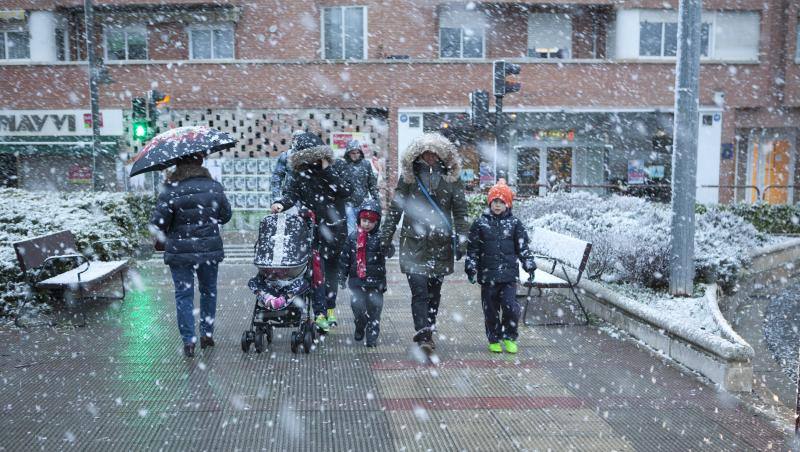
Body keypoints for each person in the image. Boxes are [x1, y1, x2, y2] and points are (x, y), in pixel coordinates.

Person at [380, 132, 469, 352]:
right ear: (418, 155)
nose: (430, 157)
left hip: (440, 244)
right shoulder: (409, 178)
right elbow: (395, 209)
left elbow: (460, 212)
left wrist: (463, 240)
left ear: (441, 156)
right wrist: (384, 237)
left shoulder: (452, 179)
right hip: (414, 243)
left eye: (434, 153)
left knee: (434, 293)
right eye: (426, 153)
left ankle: (429, 326)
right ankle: (424, 336)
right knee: (419, 292)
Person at [150, 155, 232, 358]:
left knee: (183, 295)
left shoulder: (171, 188)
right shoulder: (214, 186)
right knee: (208, 291)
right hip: (208, 249)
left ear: (177, 164)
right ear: (200, 163)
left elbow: (158, 222)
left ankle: (189, 341)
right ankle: (207, 333)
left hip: (180, 251)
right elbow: (226, 215)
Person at [271, 132, 352, 332]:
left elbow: (346, 190)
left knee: (332, 271)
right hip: (312, 229)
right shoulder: (300, 172)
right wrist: (281, 203)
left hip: (335, 229)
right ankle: (320, 312)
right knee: (317, 272)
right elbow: (291, 193)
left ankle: (330, 309)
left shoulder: (337, 167)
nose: (310, 161)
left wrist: (327, 170)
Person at [465, 178, 537, 354]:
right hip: (488, 275)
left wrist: (529, 264)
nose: (497, 205)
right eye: (494, 202)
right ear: (490, 203)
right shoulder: (480, 223)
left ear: (508, 204)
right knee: (490, 310)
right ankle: (494, 338)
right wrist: (471, 266)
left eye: (501, 202)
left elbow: (523, 247)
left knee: (511, 307)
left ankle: (509, 336)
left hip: (508, 276)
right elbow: (473, 248)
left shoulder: (514, 224)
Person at [338, 199, 386, 347]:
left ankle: (372, 338)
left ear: (377, 223)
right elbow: (345, 258)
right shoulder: (353, 237)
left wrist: (387, 243)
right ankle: (360, 324)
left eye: (371, 222)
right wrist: (342, 276)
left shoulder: (380, 238)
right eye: (364, 220)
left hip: (376, 282)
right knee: (357, 308)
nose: (367, 224)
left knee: (375, 312)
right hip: (357, 281)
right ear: (359, 219)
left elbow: (388, 252)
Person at [341, 139, 380, 235]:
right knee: (351, 228)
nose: (355, 155)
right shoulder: (343, 165)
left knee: (364, 227)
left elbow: (371, 183)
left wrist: (376, 200)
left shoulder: (366, 164)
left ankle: (362, 247)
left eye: (357, 152)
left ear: (360, 153)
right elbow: (339, 184)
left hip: (363, 202)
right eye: (352, 153)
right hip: (348, 202)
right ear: (348, 153)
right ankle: (353, 247)